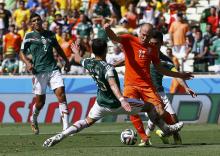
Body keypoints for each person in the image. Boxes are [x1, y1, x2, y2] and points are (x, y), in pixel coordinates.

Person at [43, 39, 184, 148]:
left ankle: (61, 135)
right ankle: (167, 129)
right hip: (116, 103)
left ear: (93, 51)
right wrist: (122, 100)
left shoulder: (89, 62)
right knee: (149, 107)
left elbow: (79, 59)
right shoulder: (108, 68)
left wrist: (75, 52)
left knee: (87, 121)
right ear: (105, 50)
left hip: (100, 103)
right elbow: (113, 85)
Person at [104, 23, 193, 146]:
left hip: (147, 86)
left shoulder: (153, 49)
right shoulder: (129, 39)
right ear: (139, 32)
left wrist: (180, 75)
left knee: (160, 111)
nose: (144, 38)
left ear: (151, 36)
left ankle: (172, 130)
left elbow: (161, 69)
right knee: (131, 110)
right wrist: (107, 29)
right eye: (143, 34)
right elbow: (114, 38)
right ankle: (144, 138)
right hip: (130, 85)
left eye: (147, 36)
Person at [19, 13, 71, 135]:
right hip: (39, 72)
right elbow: (21, 53)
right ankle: (34, 118)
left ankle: (66, 127)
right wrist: (27, 62)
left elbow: (58, 48)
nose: (36, 22)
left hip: (53, 69)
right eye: (34, 21)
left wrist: (66, 60)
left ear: (41, 21)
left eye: (38, 20)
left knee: (61, 95)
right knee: (40, 103)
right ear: (31, 24)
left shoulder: (51, 34)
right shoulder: (29, 36)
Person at [144, 30, 197, 144]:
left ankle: (174, 139)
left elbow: (175, 74)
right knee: (157, 114)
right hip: (146, 92)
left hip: (160, 92)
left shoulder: (165, 60)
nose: (153, 46)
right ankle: (146, 139)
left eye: (156, 43)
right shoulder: (144, 55)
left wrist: (186, 87)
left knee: (173, 118)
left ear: (161, 43)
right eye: (151, 43)